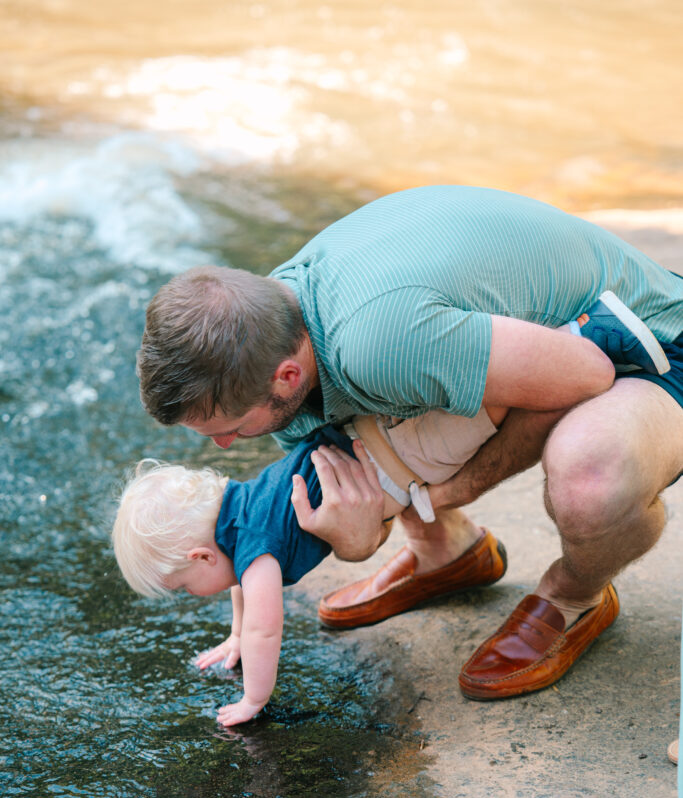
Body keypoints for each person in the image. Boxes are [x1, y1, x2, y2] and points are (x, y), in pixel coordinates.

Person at [137, 186, 683, 700]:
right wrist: (364, 522)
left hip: (645, 343)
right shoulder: (270, 316)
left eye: (226, 428)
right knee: (356, 414)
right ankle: (445, 553)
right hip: (509, 340)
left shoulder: (378, 345)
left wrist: (435, 495)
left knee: (590, 479)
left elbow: (585, 375)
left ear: (284, 376)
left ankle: (575, 595)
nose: (226, 448)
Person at [112, 403, 510, 725]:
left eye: (182, 586)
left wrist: (253, 698)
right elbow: (240, 589)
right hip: (360, 435)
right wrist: (235, 637)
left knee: (486, 415)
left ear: (201, 557)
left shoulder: (257, 551)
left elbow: (264, 630)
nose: (189, 595)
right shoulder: (239, 518)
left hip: (389, 458)